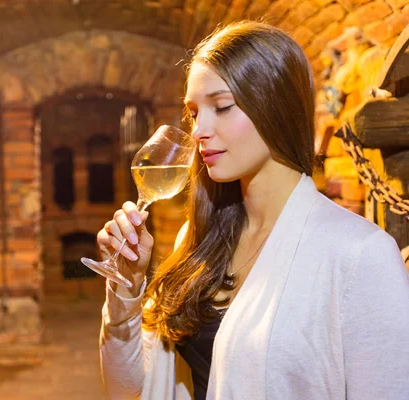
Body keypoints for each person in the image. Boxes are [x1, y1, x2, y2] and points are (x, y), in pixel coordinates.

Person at [97, 21, 409, 400]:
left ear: (276, 106)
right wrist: (127, 287)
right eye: (194, 112)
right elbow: (126, 387)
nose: (198, 131)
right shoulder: (198, 240)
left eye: (222, 106)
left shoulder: (360, 256)